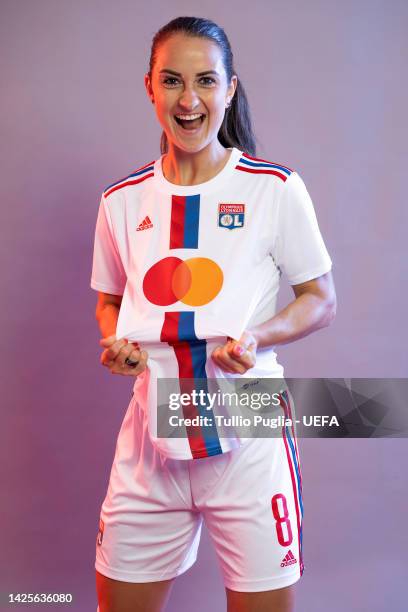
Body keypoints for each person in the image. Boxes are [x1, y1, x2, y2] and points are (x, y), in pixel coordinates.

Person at [90, 16, 336, 612]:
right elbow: (110, 301)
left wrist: (259, 335)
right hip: (151, 433)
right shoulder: (120, 202)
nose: (189, 99)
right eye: (171, 81)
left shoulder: (274, 189)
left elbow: (321, 299)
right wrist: (116, 342)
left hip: (247, 421)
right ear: (149, 87)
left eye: (206, 80)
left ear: (229, 89)